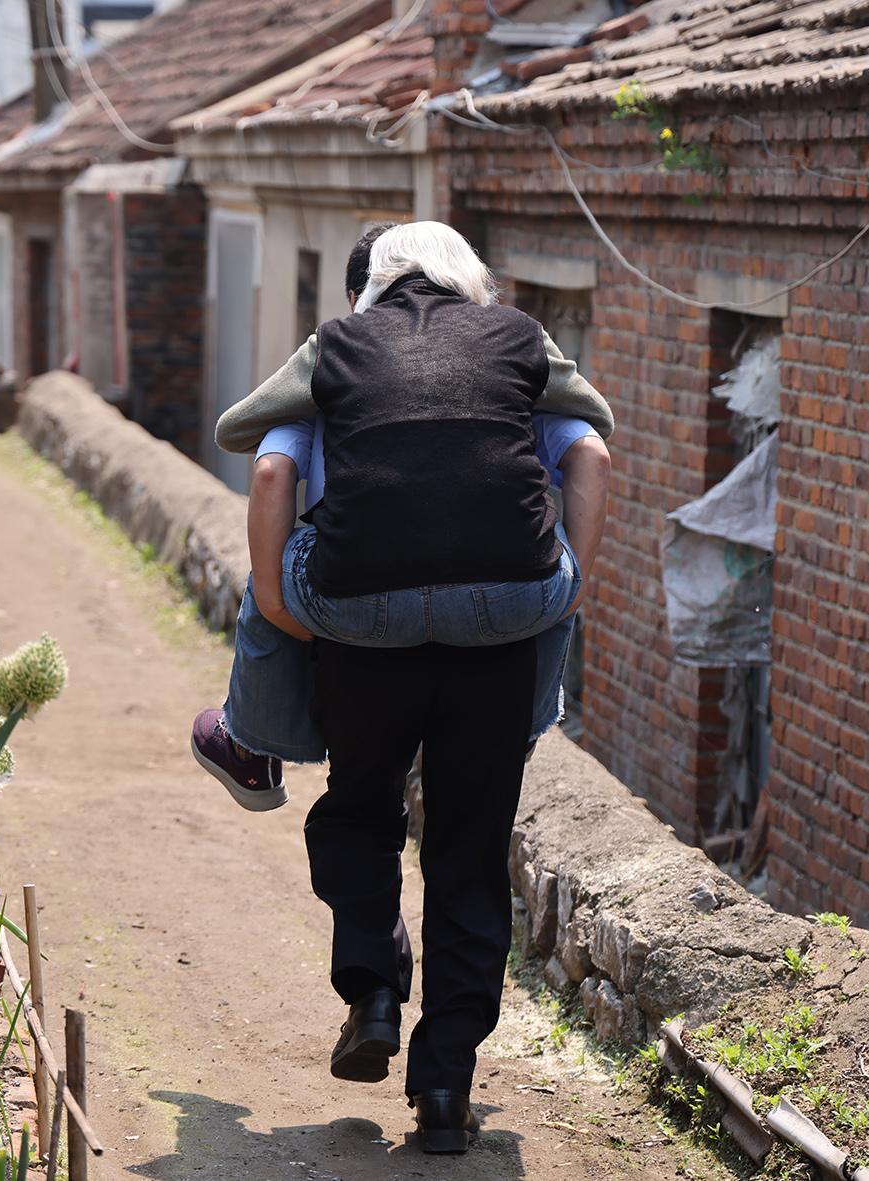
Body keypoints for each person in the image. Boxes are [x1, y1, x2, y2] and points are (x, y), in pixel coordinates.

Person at [193, 221, 612, 1154]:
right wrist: (568, 585)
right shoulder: (516, 345)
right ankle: (446, 1087)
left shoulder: (340, 352)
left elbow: (269, 467)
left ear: (373, 286)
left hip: (362, 628)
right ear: (470, 281)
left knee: (361, 808)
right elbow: (593, 454)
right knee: (469, 846)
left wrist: (280, 600)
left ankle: (374, 990)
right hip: (499, 631)